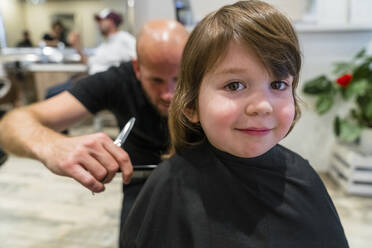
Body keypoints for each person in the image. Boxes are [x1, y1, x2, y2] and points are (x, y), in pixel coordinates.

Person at [121, 1, 349, 247]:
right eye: (234, 85)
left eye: (278, 84)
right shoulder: (169, 186)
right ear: (191, 105)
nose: (262, 106)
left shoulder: (303, 179)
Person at [0, 19, 188, 247]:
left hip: (200, 179)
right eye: (156, 80)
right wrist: (53, 145)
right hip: (142, 184)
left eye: (179, 79)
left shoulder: (206, 77)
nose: (169, 94)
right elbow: (11, 124)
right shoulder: (117, 80)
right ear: (137, 68)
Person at [68, 8, 136, 75]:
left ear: (111, 21)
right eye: (98, 21)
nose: (99, 24)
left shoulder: (124, 38)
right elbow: (89, 62)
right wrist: (77, 46)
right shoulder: (104, 45)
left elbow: (137, 60)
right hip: (94, 79)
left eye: (101, 20)